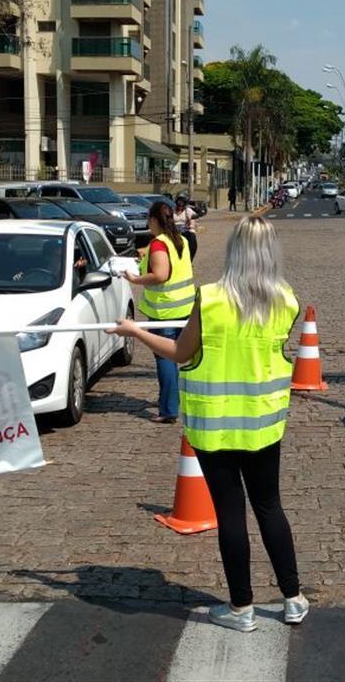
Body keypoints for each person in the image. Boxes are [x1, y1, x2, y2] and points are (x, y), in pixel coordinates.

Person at [110, 215, 308, 632]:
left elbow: (180, 353)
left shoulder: (212, 298)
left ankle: (242, 607)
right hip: (263, 424)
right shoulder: (286, 300)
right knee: (269, 506)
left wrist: (135, 331)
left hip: (213, 428)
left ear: (234, 250)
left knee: (230, 514)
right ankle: (292, 598)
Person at [124, 201, 193, 424]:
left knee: (165, 357)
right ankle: (173, 400)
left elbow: (161, 275)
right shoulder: (180, 240)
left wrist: (135, 279)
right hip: (184, 307)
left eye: (149, 219)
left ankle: (168, 409)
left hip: (165, 310)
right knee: (175, 355)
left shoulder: (159, 243)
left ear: (154, 220)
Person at [175, 195, 199, 260]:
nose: (180, 205)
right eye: (179, 202)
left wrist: (190, 224)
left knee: (192, 238)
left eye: (182, 203)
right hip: (174, 230)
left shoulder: (188, 210)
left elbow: (193, 219)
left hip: (185, 229)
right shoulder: (172, 210)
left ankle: (190, 259)